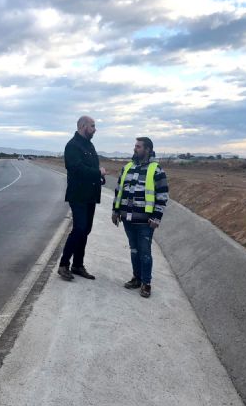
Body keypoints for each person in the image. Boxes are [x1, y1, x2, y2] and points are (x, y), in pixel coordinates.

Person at [112, 137, 168, 298]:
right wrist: (115, 211)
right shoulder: (127, 167)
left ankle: (146, 283)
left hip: (145, 221)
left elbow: (162, 195)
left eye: (138, 146)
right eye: (135, 146)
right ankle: (136, 278)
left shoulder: (156, 170)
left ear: (147, 149)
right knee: (134, 250)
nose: (135, 149)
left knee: (145, 252)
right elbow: (119, 191)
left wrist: (156, 217)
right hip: (127, 219)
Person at [58, 116, 107, 281]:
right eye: (93, 126)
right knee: (79, 228)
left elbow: (92, 168)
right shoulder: (72, 146)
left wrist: (100, 176)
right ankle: (64, 264)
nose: (95, 129)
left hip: (90, 195)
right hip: (78, 195)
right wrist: (98, 172)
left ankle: (78, 265)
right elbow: (77, 169)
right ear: (83, 126)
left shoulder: (90, 145)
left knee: (85, 230)